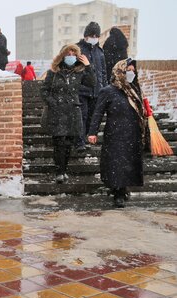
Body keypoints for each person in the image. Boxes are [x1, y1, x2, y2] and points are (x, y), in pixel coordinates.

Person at [88, 59, 146, 208]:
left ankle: (123, 188)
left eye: (133, 70)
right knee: (117, 164)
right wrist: (92, 132)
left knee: (129, 163)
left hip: (133, 133)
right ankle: (118, 193)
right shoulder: (108, 91)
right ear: (120, 71)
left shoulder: (134, 89)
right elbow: (98, 113)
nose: (131, 73)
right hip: (116, 134)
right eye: (128, 70)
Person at [41, 44, 95, 184]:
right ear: (62, 55)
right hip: (57, 112)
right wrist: (53, 102)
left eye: (73, 54)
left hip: (72, 111)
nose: (70, 56)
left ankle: (64, 170)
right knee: (58, 142)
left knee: (68, 143)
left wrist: (88, 66)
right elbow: (44, 90)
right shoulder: (53, 71)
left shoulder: (80, 72)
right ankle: (59, 172)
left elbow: (92, 83)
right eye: (67, 53)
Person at [76, 21, 108, 151]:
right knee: (82, 116)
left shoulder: (100, 52)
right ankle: (79, 142)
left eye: (96, 35)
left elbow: (103, 72)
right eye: (92, 35)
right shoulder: (78, 49)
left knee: (91, 117)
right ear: (86, 35)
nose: (94, 38)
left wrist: (104, 87)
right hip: (82, 90)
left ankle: (86, 139)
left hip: (97, 91)